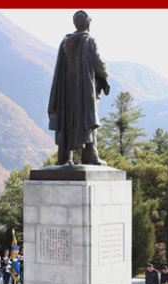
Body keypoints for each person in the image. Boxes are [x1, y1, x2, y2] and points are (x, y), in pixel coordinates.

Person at [48, 10, 110, 167]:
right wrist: (105, 77)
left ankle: (64, 158)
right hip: (84, 88)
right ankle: (90, 156)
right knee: (88, 118)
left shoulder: (65, 43)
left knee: (65, 120)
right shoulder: (89, 40)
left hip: (65, 89)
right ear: (88, 23)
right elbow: (98, 62)